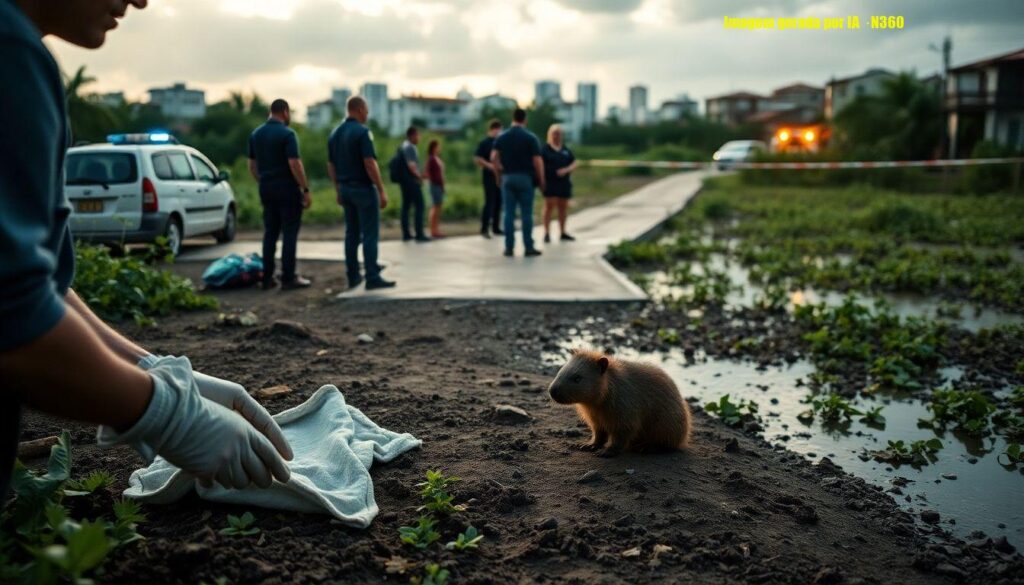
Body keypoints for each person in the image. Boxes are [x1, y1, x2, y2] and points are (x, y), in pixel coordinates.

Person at [0, 0, 293, 499]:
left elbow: (39, 284)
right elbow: (13, 317)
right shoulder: (10, 53)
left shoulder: (19, 50)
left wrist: (153, 370)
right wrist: (168, 414)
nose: (140, 1)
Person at [327, 96, 396, 290]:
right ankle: (372, 276)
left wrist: (338, 189)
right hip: (363, 189)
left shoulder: (335, 134)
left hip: (345, 189)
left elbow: (330, 165)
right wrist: (381, 189)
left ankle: (353, 276)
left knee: (351, 234)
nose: (367, 114)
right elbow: (369, 163)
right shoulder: (363, 132)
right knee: (370, 234)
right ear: (358, 109)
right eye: (366, 110)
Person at [248, 99, 312, 290]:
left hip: (266, 188)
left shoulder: (256, 134)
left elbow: (252, 165)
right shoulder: (287, 134)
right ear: (285, 112)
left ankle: (267, 278)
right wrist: (305, 189)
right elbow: (294, 163)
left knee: (270, 233)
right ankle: (288, 277)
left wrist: (263, 181)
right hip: (287, 189)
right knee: (289, 233)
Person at [491, 108, 545, 257]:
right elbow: (537, 161)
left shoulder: (502, 137)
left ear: (513, 118)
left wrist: (497, 176)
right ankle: (528, 247)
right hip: (525, 178)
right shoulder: (530, 137)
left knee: (508, 213)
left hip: (507, 178)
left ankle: (509, 247)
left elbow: (493, 157)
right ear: (525, 119)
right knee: (526, 213)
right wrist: (541, 180)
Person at [541, 124, 578, 243]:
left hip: (564, 182)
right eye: (554, 134)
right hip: (550, 182)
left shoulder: (565, 149)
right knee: (549, 207)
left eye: (559, 134)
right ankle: (546, 232)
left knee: (563, 207)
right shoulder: (545, 150)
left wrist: (566, 170)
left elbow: (574, 162)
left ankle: (562, 232)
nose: (557, 136)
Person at [473, 119, 504, 239]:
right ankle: (484, 228)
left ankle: (496, 227)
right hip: (489, 176)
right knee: (489, 202)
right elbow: (477, 158)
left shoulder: (500, 142)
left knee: (498, 201)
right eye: (498, 130)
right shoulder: (485, 143)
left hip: (500, 176)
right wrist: (490, 166)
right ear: (493, 129)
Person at [398, 126, 429, 242]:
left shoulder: (403, 146)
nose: (419, 138)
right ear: (412, 135)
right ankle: (419, 233)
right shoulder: (410, 147)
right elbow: (412, 166)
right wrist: (420, 177)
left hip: (405, 181)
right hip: (412, 181)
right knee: (420, 205)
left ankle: (406, 234)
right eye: (418, 135)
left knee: (406, 206)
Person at [425, 139, 446, 238]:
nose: (439, 148)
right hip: (435, 185)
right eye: (438, 146)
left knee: (438, 207)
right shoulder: (431, 159)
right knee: (435, 207)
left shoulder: (436, 158)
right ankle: (433, 230)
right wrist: (437, 183)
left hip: (438, 185)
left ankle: (436, 229)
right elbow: (431, 173)